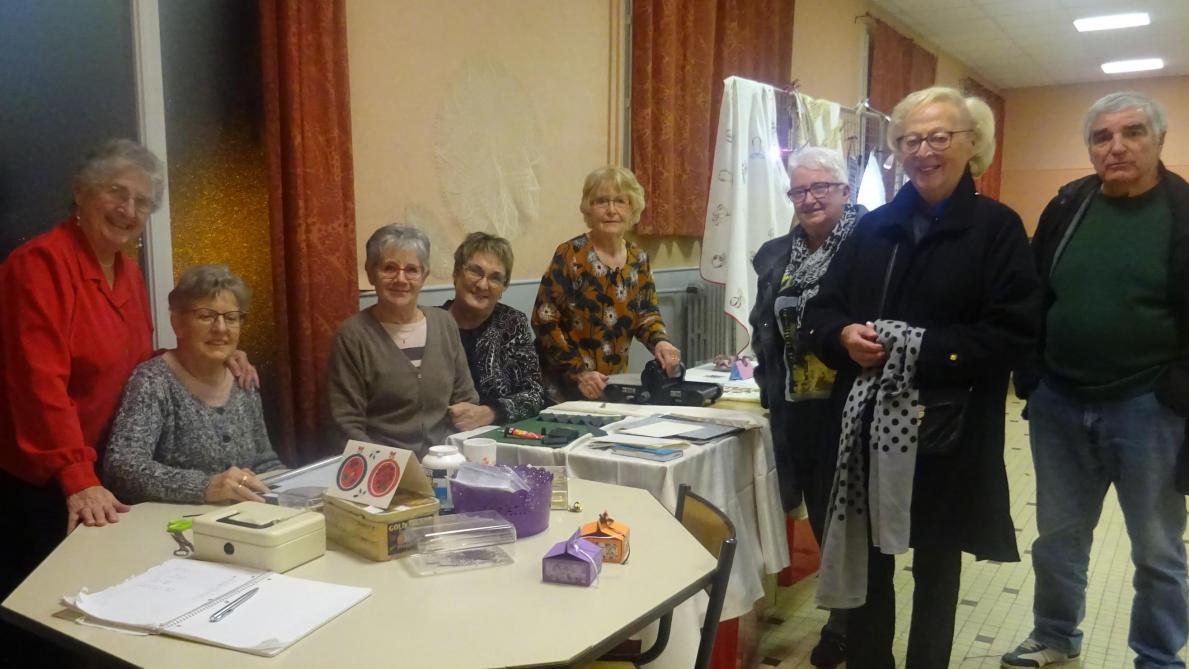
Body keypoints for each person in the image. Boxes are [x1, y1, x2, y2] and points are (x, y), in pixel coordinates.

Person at [803, 86, 1039, 668]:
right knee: (870, 558)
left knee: (937, 562)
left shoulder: (997, 227)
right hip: (866, 429)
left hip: (948, 430)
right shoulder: (874, 227)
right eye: (911, 140)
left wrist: (918, 349)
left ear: (971, 145)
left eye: (940, 137)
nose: (924, 151)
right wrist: (842, 338)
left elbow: (1013, 332)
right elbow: (823, 310)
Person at [0, 140, 257, 658]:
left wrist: (210, 352)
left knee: (106, 617)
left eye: (142, 202)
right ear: (80, 192)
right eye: (116, 193)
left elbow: (134, 358)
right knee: (48, 620)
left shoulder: (126, 269)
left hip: (103, 471)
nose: (128, 210)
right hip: (48, 479)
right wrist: (78, 478)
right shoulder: (38, 266)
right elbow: (37, 383)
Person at [1003, 92, 1189, 669]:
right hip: (1060, 399)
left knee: (1157, 548)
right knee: (1058, 536)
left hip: (1149, 405)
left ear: (1159, 140)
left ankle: (1158, 657)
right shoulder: (1069, 204)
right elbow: (1036, 290)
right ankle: (1055, 636)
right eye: (1102, 137)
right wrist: (1031, 373)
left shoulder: (1183, 211)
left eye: (1132, 132)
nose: (1117, 146)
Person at [749, 146, 864, 668]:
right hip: (795, 408)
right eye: (799, 190)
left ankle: (851, 624)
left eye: (822, 187)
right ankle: (842, 615)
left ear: (845, 190)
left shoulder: (872, 243)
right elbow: (763, 325)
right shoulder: (776, 253)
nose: (810, 198)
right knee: (821, 518)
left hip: (853, 408)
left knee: (851, 523)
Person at [103, 265, 284, 504]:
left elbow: (264, 461)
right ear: (177, 323)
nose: (220, 328)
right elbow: (122, 468)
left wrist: (290, 490)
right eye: (206, 316)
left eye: (231, 318)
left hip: (244, 522)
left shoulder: (243, 378)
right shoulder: (153, 380)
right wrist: (204, 487)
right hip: (170, 527)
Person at [326, 224, 480, 456]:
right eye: (389, 268)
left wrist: (447, 457)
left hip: (444, 459)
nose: (401, 279)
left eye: (411, 269)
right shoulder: (353, 335)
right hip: (382, 470)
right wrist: (393, 469)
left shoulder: (444, 323)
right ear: (370, 273)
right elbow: (346, 425)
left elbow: (465, 401)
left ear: (424, 275)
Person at [532, 166, 681, 400]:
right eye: (601, 201)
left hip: (612, 385)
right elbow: (545, 319)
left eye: (620, 201)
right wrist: (578, 373)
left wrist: (661, 343)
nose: (611, 210)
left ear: (632, 209)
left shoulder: (638, 259)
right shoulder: (570, 255)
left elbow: (646, 314)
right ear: (588, 210)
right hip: (564, 387)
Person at [444, 232, 547, 425]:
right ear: (456, 273)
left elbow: (535, 394)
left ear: (503, 288)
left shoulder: (512, 323)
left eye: (495, 278)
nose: (483, 284)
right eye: (475, 271)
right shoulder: (431, 324)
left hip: (496, 437)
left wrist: (490, 413)